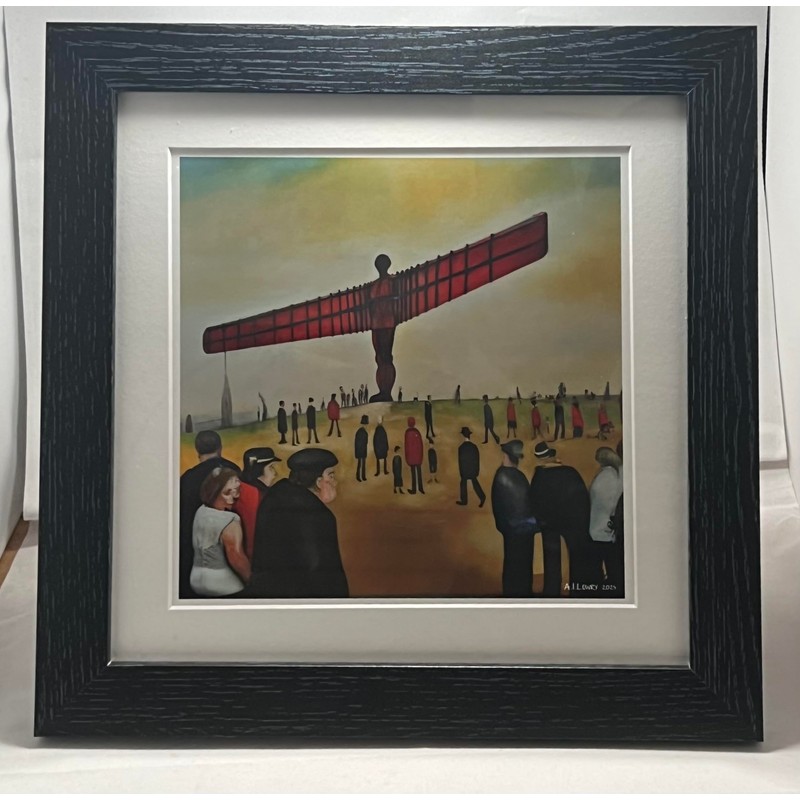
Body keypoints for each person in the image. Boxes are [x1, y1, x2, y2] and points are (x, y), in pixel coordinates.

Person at [250, 449, 349, 598]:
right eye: (331, 476)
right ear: (318, 482)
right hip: (303, 598)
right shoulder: (318, 515)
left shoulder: (275, 496)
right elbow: (322, 571)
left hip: (267, 593)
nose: (335, 482)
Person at [529, 442, 598, 598]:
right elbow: (582, 499)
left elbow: (534, 501)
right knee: (576, 558)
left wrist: (541, 520)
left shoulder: (539, 475)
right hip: (572, 523)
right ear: (553, 456)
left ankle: (551, 592)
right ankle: (577, 591)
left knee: (551, 560)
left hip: (549, 524)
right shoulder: (570, 472)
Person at [179, 430, 239, 599]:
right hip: (230, 542)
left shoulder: (188, 478)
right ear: (220, 448)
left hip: (195, 551)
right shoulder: (234, 470)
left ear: (197, 450)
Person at [190, 468, 251, 597]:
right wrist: (251, 580)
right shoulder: (230, 520)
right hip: (222, 582)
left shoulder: (201, 511)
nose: (236, 496)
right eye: (231, 491)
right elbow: (236, 557)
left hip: (195, 579)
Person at [490, 440, 537, 597]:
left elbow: (499, 507)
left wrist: (505, 527)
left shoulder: (501, 475)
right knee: (523, 565)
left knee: (513, 564)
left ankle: (513, 596)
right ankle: (523, 594)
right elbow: (528, 503)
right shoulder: (518, 476)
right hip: (524, 530)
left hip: (512, 531)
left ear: (505, 456)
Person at [234, 447, 281, 558]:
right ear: (258, 470)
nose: (275, 473)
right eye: (271, 467)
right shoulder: (261, 496)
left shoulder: (238, 488)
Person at [588, 447, 624, 593]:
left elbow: (599, 501)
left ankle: (603, 588)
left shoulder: (606, 476)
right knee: (612, 560)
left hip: (601, 523)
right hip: (611, 523)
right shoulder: (619, 472)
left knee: (601, 558)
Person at [456, 426, 485, 507]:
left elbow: (460, 462)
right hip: (472, 470)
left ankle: (464, 501)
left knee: (463, 483)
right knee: (474, 482)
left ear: (463, 435)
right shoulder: (474, 447)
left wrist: (461, 472)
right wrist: (477, 470)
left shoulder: (461, 448)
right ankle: (482, 497)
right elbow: (477, 459)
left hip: (465, 471)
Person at [404, 417, 425, 494]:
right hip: (418, 457)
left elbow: (407, 446)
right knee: (419, 472)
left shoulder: (407, 433)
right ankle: (421, 488)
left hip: (411, 457)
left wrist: (407, 457)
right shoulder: (417, 432)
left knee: (413, 473)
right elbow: (421, 445)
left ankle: (414, 489)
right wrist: (421, 456)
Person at [354, 414, 369, 482]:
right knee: (360, 464)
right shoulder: (362, 432)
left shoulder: (361, 431)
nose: (366, 426)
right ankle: (358, 476)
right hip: (360, 450)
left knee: (362, 464)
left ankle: (363, 476)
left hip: (362, 450)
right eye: (366, 424)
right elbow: (358, 443)